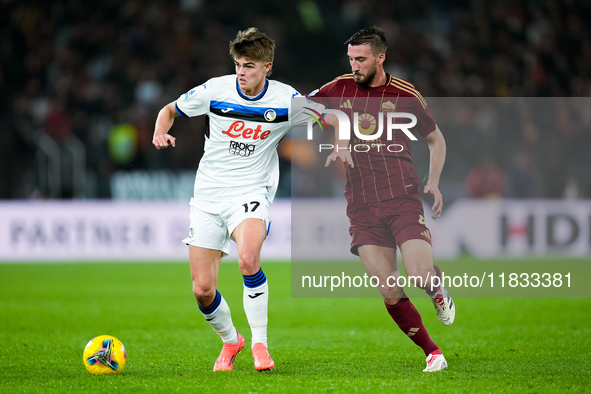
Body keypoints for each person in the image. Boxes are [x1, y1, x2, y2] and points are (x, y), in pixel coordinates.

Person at [152, 28, 317, 372]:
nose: (242, 72)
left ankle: (260, 344)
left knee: (248, 259)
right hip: (209, 196)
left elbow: (328, 116)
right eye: (239, 64)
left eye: (250, 66)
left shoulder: (286, 99)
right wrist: (160, 131)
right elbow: (169, 110)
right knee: (202, 290)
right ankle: (231, 340)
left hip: (251, 193)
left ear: (267, 67)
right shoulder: (215, 90)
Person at [311, 26, 455, 372]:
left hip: (401, 197)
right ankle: (433, 353)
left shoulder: (405, 94)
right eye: (351, 59)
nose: (355, 65)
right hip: (361, 206)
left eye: (361, 59)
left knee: (419, 274)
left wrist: (433, 181)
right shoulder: (338, 87)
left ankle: (436, 289)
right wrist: (338, 129)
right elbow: (300, 106)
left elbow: (436, 140)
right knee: (389, 288)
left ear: (380, 58)